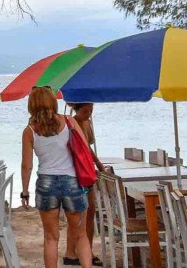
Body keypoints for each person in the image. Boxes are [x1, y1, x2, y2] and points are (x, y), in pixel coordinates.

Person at [21, 87, 92, 268]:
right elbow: (84, 149)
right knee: (81, 235)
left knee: (51, 238)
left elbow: (26, 166)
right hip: (72, 181)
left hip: (46, 183)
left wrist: (24, 192)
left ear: (32, 106)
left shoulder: (29, 131)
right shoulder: (68, 122)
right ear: (53, 102)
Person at [68, 102, 104, 266]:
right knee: (78, 214)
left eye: (91, 110)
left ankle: (87, 250)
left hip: (88, 170)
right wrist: (97, 162)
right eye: (85, 111)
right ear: (77, 109)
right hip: (77, 171)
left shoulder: (87, 123)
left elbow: (89, 146)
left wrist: (96, 162)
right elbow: (82, 148)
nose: (89, 113)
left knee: (90, 212)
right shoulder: (71, 123)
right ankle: (73, 251)